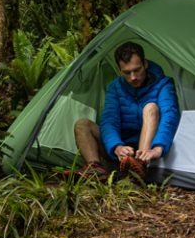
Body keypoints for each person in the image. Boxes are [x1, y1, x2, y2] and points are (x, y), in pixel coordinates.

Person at [73, 41, 180, 181]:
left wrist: (158, 148)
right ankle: (96, 170)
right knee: (82, 125)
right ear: (119, 70)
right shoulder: (115, 87)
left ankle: (140, 165)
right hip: (123, 150)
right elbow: (109, 121)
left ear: (145, 64)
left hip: (150, 150)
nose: (133, 77)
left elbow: (169, 117)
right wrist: (117, 146)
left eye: (137, 70)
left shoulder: (163, 84)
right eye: (127, 72)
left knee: (151, 108)